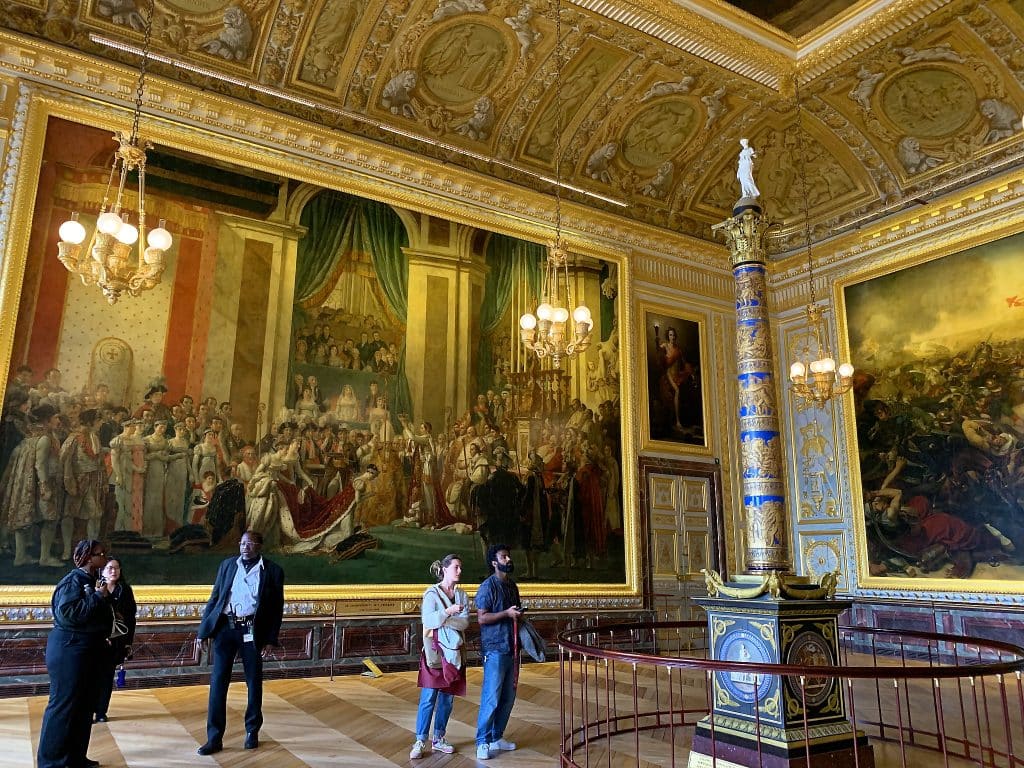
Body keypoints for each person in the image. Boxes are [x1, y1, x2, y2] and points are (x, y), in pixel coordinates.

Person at [195, 530, 285, 755]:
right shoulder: (227, 565)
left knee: (253, 683)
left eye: (250, 543)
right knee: (218, 682)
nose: (245, 547)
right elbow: (215, 598)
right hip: (225, 629)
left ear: (259, 546)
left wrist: (270, 639)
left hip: (252, 631)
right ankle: (214, 738)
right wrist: (203, 632)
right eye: (242, 543)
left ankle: (252, 730)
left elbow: (276, 609)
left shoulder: (273, 571)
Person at [36, 540, 112, 768]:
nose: (105, 557)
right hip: (69, 650)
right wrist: (97, 597)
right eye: (101, 554)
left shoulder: (91, 580)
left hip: (86, 650)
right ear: (89, 558)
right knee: (64, 706)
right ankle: (51, 762)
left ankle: (75, 758)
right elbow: (68, 614)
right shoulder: (72, 581)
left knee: (84, 706)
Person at [410, 554, 469, 759]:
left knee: (447, 698)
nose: (459, 571)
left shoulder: (462, 595)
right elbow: (428, 620)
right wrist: (449, 612)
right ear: (444, 569)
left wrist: (443, 619)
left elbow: (464, 623)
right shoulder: (431, 594)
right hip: (435, 652)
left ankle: (438, 738)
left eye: (460, 567)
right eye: (456, 567)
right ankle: (420, 740)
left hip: (454, 653)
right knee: (428, 697)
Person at [474, 543, 523, 761]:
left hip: (512, 647)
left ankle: (496, 736)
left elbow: (514, 612)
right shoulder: (487, 587)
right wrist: (506, 613)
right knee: (491, 697)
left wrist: (517, 614)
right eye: (504, 557)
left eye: (508, 556)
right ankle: (482, 742)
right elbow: (482, 618)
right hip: (494, 648)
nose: (508, 559)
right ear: (494, 562)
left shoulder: (512, 586)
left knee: (508, 697)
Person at [94, 557, 137, 723]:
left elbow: (130, 619)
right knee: (92, 677)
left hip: (116, 641)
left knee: (107, 677)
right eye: (110, 568)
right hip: (96, 641)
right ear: (102, 570)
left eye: (117, 568)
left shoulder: (124, 590)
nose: (114, 571)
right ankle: (88, 711)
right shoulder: (95, 587)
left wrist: (128, 643)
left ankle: (101, 712)